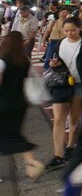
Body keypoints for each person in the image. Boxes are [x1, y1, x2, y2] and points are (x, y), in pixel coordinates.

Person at [48, 17, 82, 169]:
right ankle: (57, 155)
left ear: (79, 29)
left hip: (79, 85)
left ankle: (70, 146)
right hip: (62, 84)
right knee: (58, 119)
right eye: (66, 30)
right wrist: (53, 63)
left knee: (74, 119)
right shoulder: (59, 43)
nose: (69, 33)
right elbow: (52, 61)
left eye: (73, 30)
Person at [0, 32, 44, 180]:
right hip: (19, 104)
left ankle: (32, 163)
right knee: (14, 135)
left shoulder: (2, 60)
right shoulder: (24, 60)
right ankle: (31, 163)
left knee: (10, 136)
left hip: (3, 103)